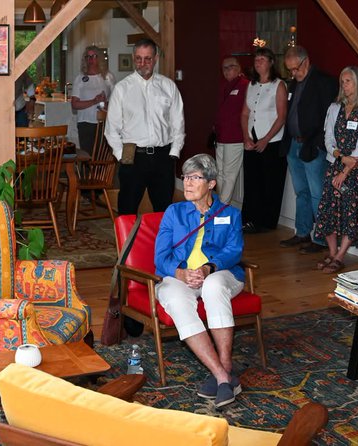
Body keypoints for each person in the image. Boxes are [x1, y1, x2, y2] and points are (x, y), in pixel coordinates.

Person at [154, 154, 245, 408]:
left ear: (212, 183)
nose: (188, 183)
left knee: (214, 286)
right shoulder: (174, 212)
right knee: (174, 297)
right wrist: (180, 273)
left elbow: (234, 250)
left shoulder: (231, 214)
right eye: (185, 177)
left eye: (195, 178)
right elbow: (160, 257)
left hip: (220, 274)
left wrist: (208, 269)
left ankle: (225, 366)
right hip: (180, 275)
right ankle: (222, 376)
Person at [313, 66, 358, 274]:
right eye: (342, 81)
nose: (343, 85)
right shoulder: (335, 107)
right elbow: (328, 136)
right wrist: (339, 156)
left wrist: (347, 168)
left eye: (348, 81)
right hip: (336, 163)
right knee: (328, 209)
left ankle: (340, 256)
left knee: (351, 212)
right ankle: (331, 251)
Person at [104, 38, 185, 215]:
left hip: (163, 156)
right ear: (134, 58)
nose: (143, 63)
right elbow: (111, 130)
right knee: (127, 209)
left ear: (155, 58)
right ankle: (127, 243)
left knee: (163, 211)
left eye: (147, 58)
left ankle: (162, 243)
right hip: (132, 156)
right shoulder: (122, 89)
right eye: (139, 58)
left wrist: (174, 153)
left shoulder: (168, 86)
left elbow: (178, 123)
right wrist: (121, 156)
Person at [280, 46, 337, 255]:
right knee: (301, 192)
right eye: (290, 70)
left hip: (312, 145)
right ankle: (302, 232)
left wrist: (318, 143)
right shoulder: (295, 83)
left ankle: (322, 239)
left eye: (295, 69)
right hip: (294, 144)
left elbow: (328, 118)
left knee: (317, 194)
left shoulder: (324, 81)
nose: (293, 74)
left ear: (306, 61)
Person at [240, 48, 288, 235]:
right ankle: (249, 218)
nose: (257, 62)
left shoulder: (279, 85)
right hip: (251, 139)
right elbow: (245, 113)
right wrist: (246, 136)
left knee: (270, 182)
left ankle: (265, 221)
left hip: (272, 141)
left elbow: (281, 116)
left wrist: (266, 139)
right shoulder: (251, 85)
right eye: (256, 59)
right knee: (251, 181)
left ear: (271, 62)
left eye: (261, 59)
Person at [212, 57, 248, 206]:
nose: (227, 70)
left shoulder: (246, 85)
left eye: (230, 67)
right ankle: (221, 202)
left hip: (235, 137)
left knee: (229, 174)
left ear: (239, 68)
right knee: (219, 172)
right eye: (224, 68)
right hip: (220, 136)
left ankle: (221, 207)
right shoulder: (223, 86)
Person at [70, 46, 113, 150]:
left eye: (93, 56)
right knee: (87, 157)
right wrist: (94, 101)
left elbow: (115, 102)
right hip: (85, 123)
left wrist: (105, 103)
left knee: (101, 155)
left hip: (104, 123)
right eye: (87, 56)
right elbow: (74, 104)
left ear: (100, 58)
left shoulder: (108, 77)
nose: (90, 59)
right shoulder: (80, 78)